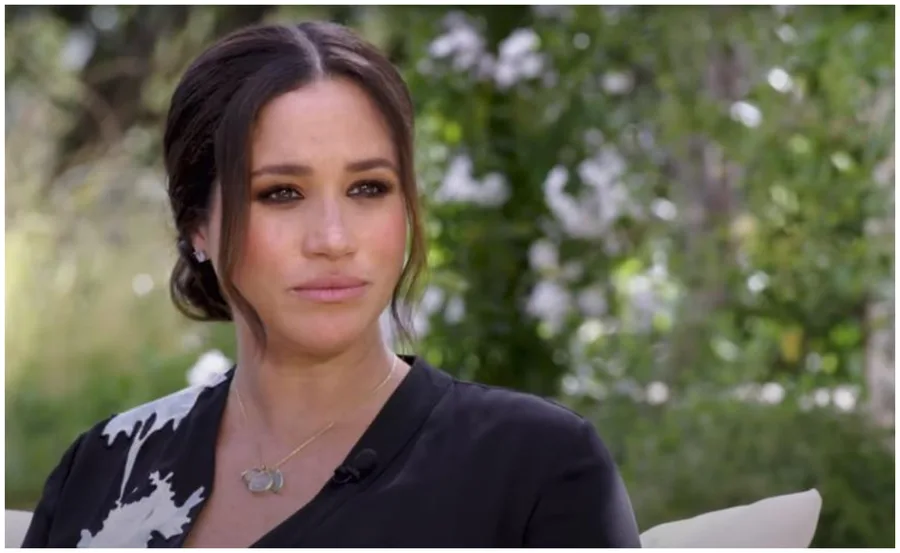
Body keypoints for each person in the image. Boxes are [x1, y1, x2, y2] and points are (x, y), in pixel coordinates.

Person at [21, 21, 642, 548]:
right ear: (197, 225)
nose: (334, 238)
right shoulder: (104, 469)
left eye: (368, 188)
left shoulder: (536, 469)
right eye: (281, 193)